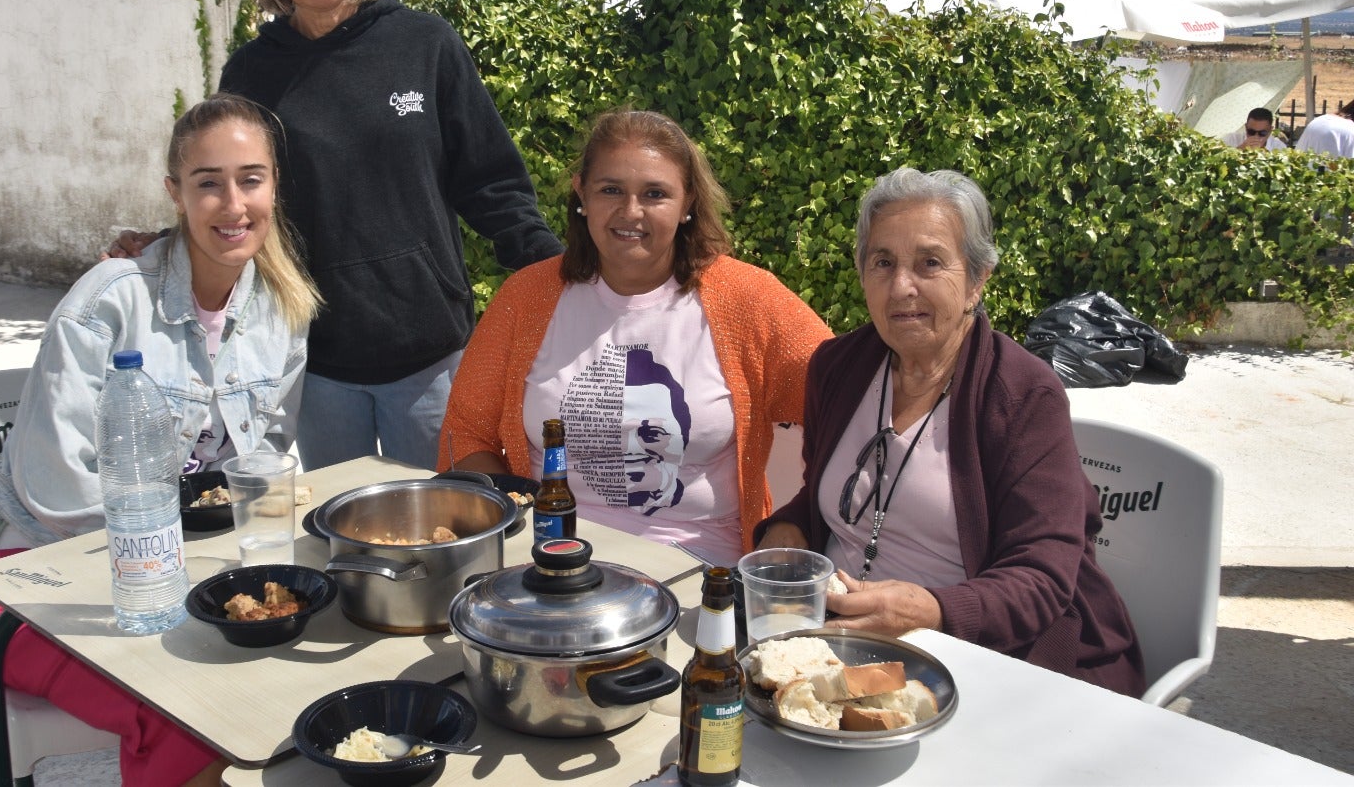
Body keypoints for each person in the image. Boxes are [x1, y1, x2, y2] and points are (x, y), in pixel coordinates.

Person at [110, 0, 560, 471]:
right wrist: (165, 247)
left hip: (431, 359)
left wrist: (565, 275)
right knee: (346, 549)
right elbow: (240, 200)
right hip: (314, 363)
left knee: (449, 538)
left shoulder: (424, 45)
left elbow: (493, 186)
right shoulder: (252, 74)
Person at [0, 93, 321, 787]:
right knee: (185, 712)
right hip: (34, 591)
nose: (232, 203)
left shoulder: (282, 310)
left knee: (295, 667)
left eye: (251, 179)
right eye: (208, 183)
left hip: (181, 580)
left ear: (275, 187)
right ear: (175, 195)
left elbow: (259, 465)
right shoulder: (108, 301)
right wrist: (177, 570)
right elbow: (57, 488)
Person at [754, 167, 1144, 695]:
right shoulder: (837, 367)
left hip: (978, 651)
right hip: (838, 641)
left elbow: (1044, 578)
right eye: (882, 263)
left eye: (930, 263)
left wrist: (932, 609)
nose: (901, 287)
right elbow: (832, 493)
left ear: (977, 279)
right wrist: (788, 534)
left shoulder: (1025, 396)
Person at [440, 109, 833, 565]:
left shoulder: (749, 300)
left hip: (699, 570)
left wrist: (794, 523)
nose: (631, 212)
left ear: (688, 204)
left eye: (655, 194)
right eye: (610, 190)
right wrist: (514, 522)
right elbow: (465, 435)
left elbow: (849, 405)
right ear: (581, 194)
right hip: (549, 560)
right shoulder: (525, 298)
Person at [1222, 107, 1287, 150]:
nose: (1256, 136)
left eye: (1262, 133)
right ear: (1246, 127)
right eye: (1251, 132)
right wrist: (1241, 148)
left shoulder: (1279, 147)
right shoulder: (1231, 139)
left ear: (1270, 130)